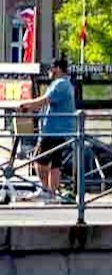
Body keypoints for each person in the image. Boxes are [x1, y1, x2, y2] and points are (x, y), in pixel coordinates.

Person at [15, 57, 74, 201]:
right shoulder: (67, 84)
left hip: (53, 131)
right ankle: (52, 193)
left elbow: (44, 100)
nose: (49, 72)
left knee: (39, 160)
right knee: (55, 164)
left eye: (51, 69)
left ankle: (46, 190)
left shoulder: (59, 84)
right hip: (61, 130)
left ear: (58, 69)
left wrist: (25, 105)